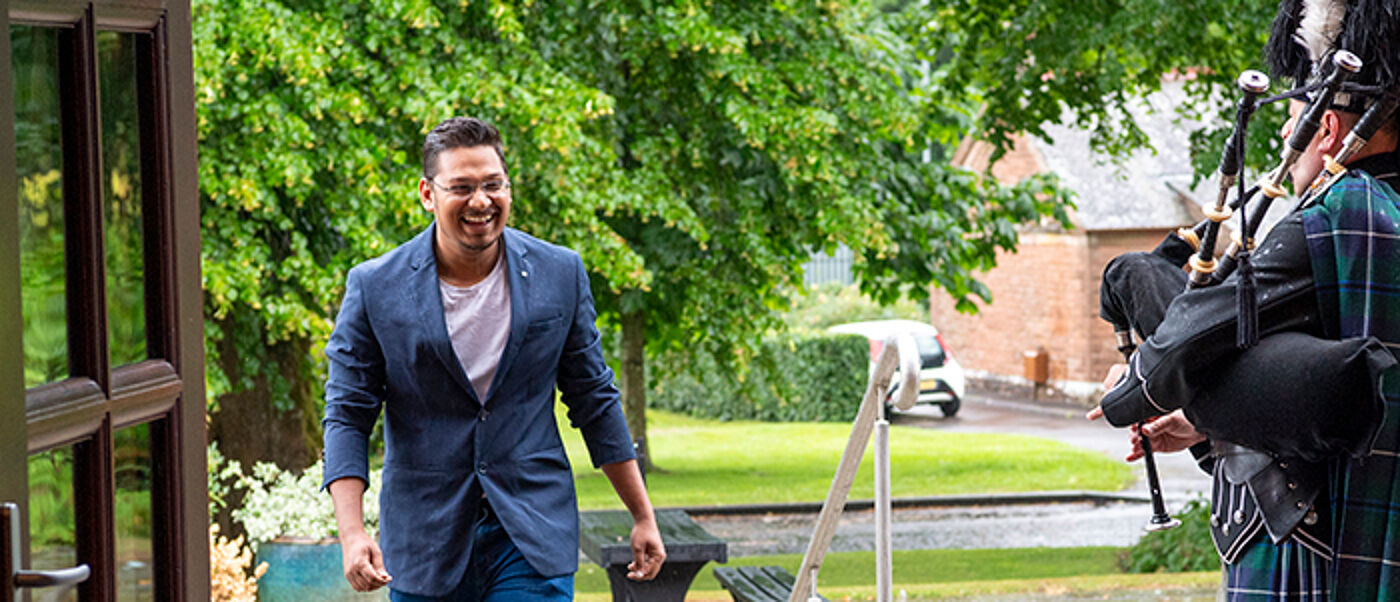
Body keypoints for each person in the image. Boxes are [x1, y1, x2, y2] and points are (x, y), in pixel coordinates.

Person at [1089, 1, 1400, 598]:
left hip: (1318, 566)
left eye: (1297, 119)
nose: (1287, 131)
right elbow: (1304, 391)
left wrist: (1134, 392)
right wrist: (1204, 424)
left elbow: (1190, 338)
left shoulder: (1340, 212)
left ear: (1328, 130)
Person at [321, 116, 665, 601]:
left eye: (492, 184)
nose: (480, 201)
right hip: (425, 542)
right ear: (427, 193)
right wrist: (352, 533)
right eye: (461, 187)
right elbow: (347, 416)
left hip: (531, 533)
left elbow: (593, 397)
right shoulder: (376, 287)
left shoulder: (559, 274)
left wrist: (642, 514)